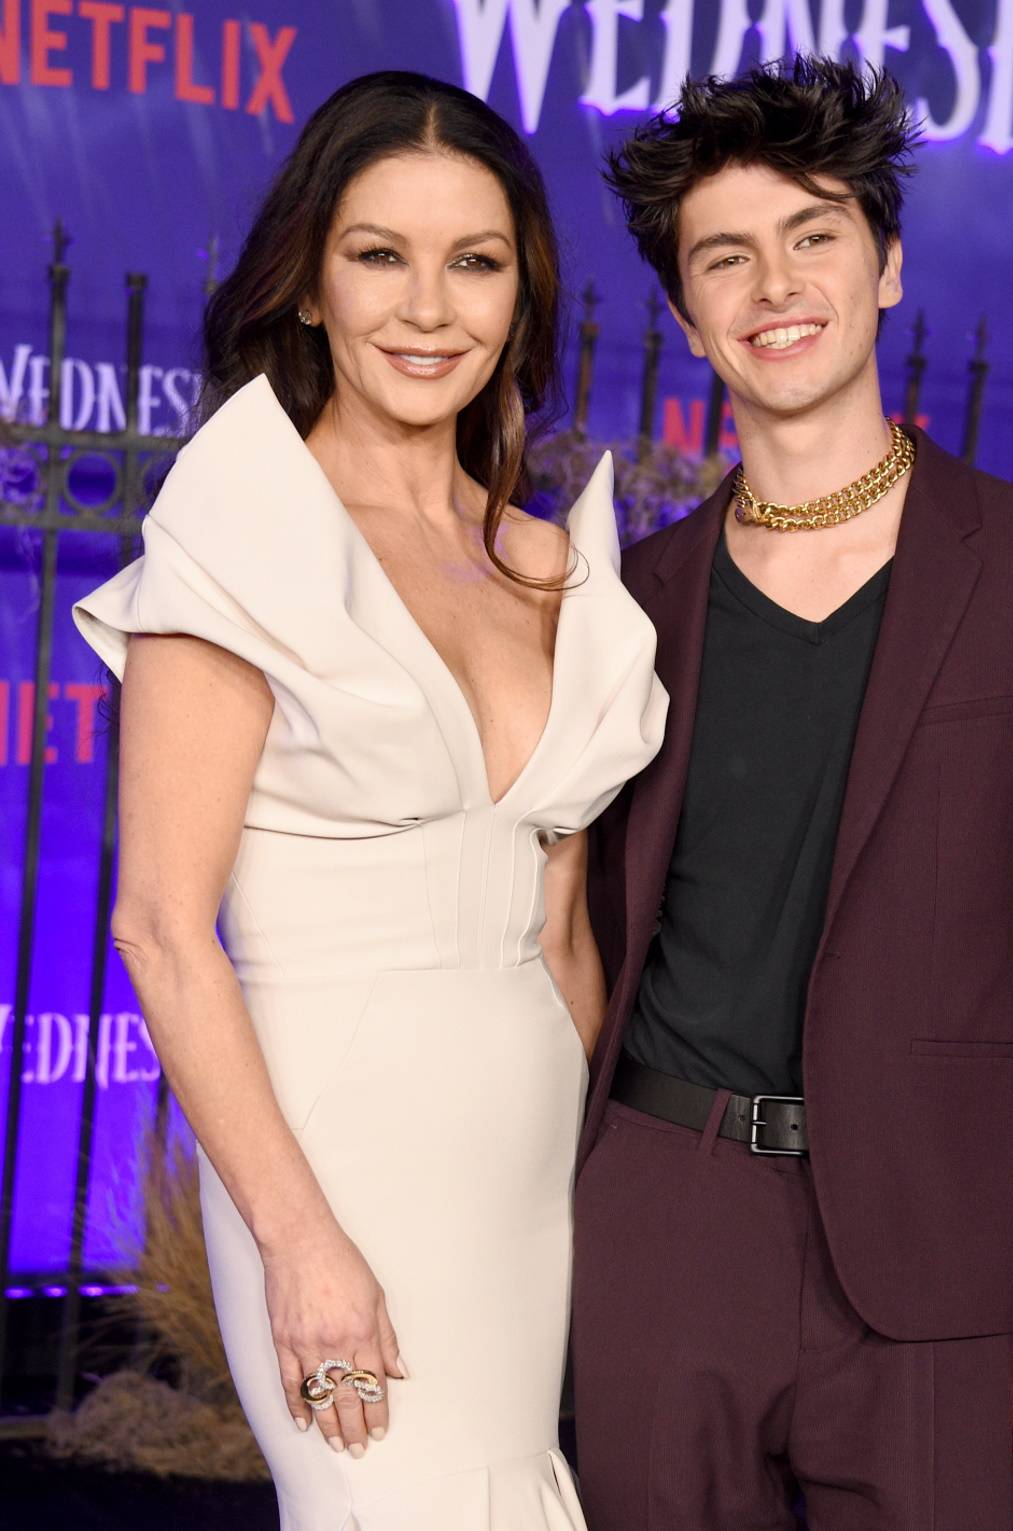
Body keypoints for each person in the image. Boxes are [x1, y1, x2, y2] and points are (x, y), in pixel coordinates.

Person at [572, 56, 1013, 1531]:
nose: (777, 281)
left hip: (940, 1253)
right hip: (666, 1221)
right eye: (727, 255)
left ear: (887, 265)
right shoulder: (627, 604)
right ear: (687, 312)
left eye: (815, 233)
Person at [74, 70, 665, 1530]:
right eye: (378, 255)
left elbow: (565, 929)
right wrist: (298, 1239)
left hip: (524, 1151)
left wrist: (604, 1177)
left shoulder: (545, 565)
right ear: (310, 284)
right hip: (335, 1147)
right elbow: (160, 924)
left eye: (474, 262)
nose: (428, 307)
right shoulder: (244, 535)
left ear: (520, 298)